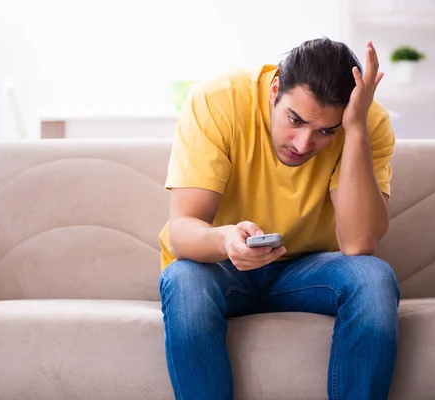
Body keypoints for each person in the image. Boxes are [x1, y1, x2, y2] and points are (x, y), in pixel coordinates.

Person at [157, 37, 399, 400]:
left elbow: (358, 243)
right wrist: (226, 240)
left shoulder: (365, 121)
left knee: (375, 278)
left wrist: (355, 130)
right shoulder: (219, 100)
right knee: (183, 279)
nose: (303, 144)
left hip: (308, 270)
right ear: (274, 91)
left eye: (325, 131)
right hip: (222, 266)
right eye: (295, 120)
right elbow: (183, 233)